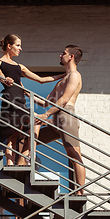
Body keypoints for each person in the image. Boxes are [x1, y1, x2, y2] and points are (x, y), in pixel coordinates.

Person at [0, 34, 65, 166]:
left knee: (35, 120)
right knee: (11, 135)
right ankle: (10, 164)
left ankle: (30, 153)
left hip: (21, 100)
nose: (20, 48)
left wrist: (64, 74)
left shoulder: (20, 66)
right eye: (18, 45)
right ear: (9, 46)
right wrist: (4, 79)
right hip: (10, 100)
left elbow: (41, 80)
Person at [36, 45, 85, 195]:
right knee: (30, 137)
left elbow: (64, 100)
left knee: (74, 154)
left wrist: (46, 115)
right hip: (57, 119)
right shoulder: (62, 79)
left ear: (71, 57)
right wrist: (23, 90)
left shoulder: (74, 75)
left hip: (66, 116)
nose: (60, 56)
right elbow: (45, 102)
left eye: (63, 53)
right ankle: (24, 163)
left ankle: (79, 192)